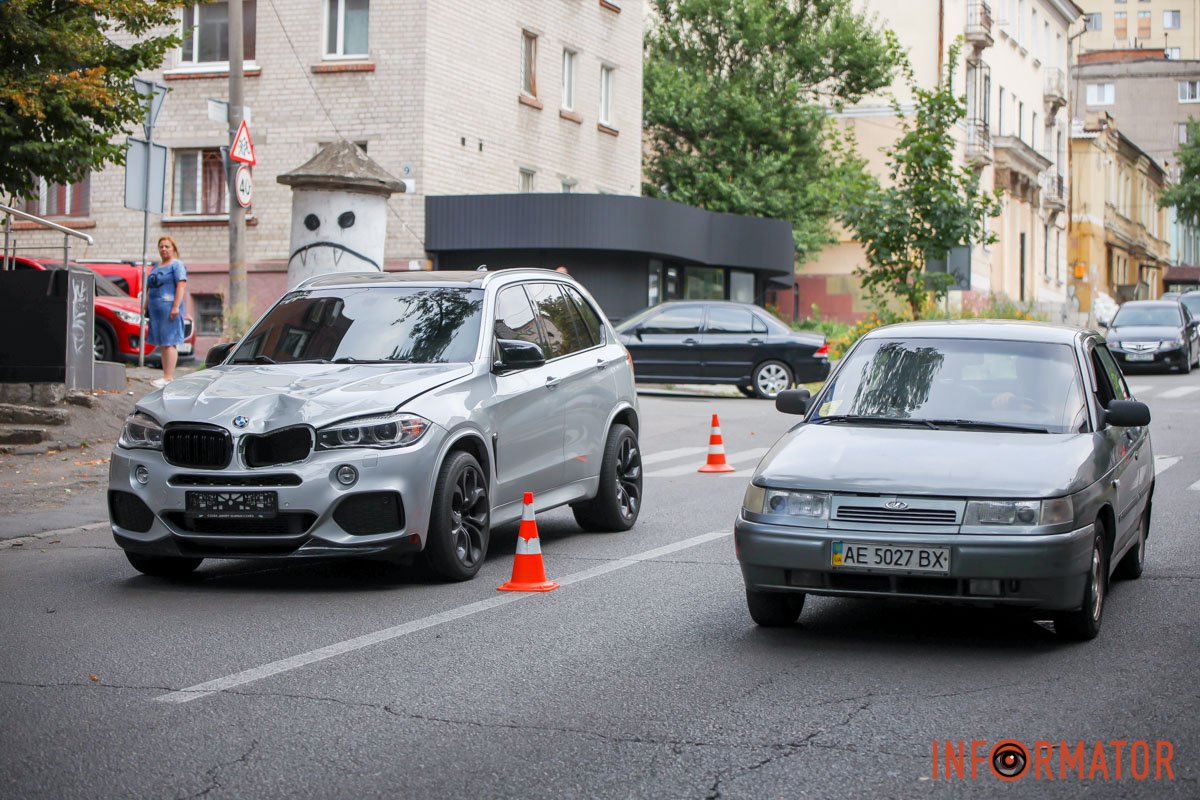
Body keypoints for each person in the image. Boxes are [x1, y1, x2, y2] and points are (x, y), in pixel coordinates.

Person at [146, 236, 188, 388]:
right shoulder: (157, 266)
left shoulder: (176, 265)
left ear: (174, 249)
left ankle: (168, 377)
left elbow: (181, 286)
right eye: (161, 246)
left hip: (169, 309)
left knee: (169, 342)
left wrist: (176, 306)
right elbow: (150, 287)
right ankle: (165, 376)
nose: (164, 249)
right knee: (163, 343)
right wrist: (146, 305)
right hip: (156, 310)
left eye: (167, 246)